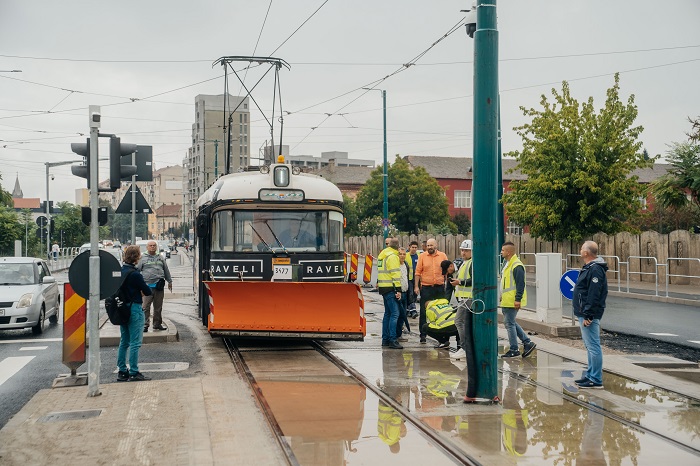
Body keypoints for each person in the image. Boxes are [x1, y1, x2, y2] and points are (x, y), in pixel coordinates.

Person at [573, 240, 608, 389]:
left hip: (588, 314)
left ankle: (595, 378)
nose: (580, 250)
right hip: (584, 311)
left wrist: (589, 315)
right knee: (589, 345)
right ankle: (590, 375)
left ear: (586, 253)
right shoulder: (590, 267)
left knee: (593, 346)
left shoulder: (595, 269)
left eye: (582, 248)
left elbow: (594, 294)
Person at [117, 245, 153, 382]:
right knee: (135, 343)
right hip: (134, 308)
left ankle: (122, 371)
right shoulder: (135, 274)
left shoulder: (120, 271)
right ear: (137, 257)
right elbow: (148, 291)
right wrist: (141, 290)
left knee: (124, 341)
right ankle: (133, 372)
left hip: (122, 309)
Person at [499, 241, 536, 358]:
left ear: (508, 252)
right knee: (511, 322)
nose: (501, 252)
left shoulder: (516, 265)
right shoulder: (509, 264)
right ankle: (527, 343)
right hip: (507, 299)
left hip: (512, 300)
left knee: (509, 323)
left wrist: (517, 299)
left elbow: (520, 284)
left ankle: (514, 349)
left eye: (503, 250)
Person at [414, 238, 448, 343]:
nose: (429, 247)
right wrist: (416, 286)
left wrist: (447, 285)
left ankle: (442, 336)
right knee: (424, 312)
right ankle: (423, 335)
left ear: (436, 245)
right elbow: (418, 272)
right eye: (428, 245)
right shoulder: (422, 256)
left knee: (441, 312)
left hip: (439, 287)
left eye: (431, 245)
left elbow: (447, 271)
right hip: (426, 288)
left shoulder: (443, 256)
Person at [138, 240, 172, 332]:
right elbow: (137, 270)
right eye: (150, 245)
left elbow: (166, 269)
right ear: (147, 247)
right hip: (147, 286)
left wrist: (169, 281)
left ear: (156, 247)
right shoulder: (142, 258)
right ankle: (145, 325)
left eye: (154, 245)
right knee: (145, 307)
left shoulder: (160, 257)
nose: (152, 247)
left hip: (159, 286)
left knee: (158, 307)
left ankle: (157, 324)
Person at [377, 237, 403, 349]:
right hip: (391, 288)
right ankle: (393, 339)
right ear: (397, 247)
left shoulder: (383, 255)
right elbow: (395, 274)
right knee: (395, 314)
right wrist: (398, 290)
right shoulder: (392, 256)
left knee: (387, 314)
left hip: (383, 287)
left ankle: (385, 339)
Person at [450, 240, 473, 362]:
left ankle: (464, 348)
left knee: (458, 321)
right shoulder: (465, 263)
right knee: (463, 323)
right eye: (462, 250)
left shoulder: (471, 264)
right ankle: (465, 347)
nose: (463, 252)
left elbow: (473, 280)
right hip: (464, 298)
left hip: (468, 299)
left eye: (466, 250)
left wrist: (460, 282)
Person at [396, 247, 411, 341]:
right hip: (398, 292)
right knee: (397, 314)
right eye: (400, 254)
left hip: (405, 292)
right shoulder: (396, 265)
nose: (402, 256)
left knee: (403, 315)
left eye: (404, 254)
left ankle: (399, 334)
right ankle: (395, 334)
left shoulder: (406, 264)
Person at [406, 241, 420, 317]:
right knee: (410, 294)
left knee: (415, 294)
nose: (414, 249)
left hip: (417, 278)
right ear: (409, 247)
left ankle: (408, 309)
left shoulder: (419, 256)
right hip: (409, 278)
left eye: (415, 247)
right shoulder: (406, 256)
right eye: (412, 247)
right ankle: (413, 310)